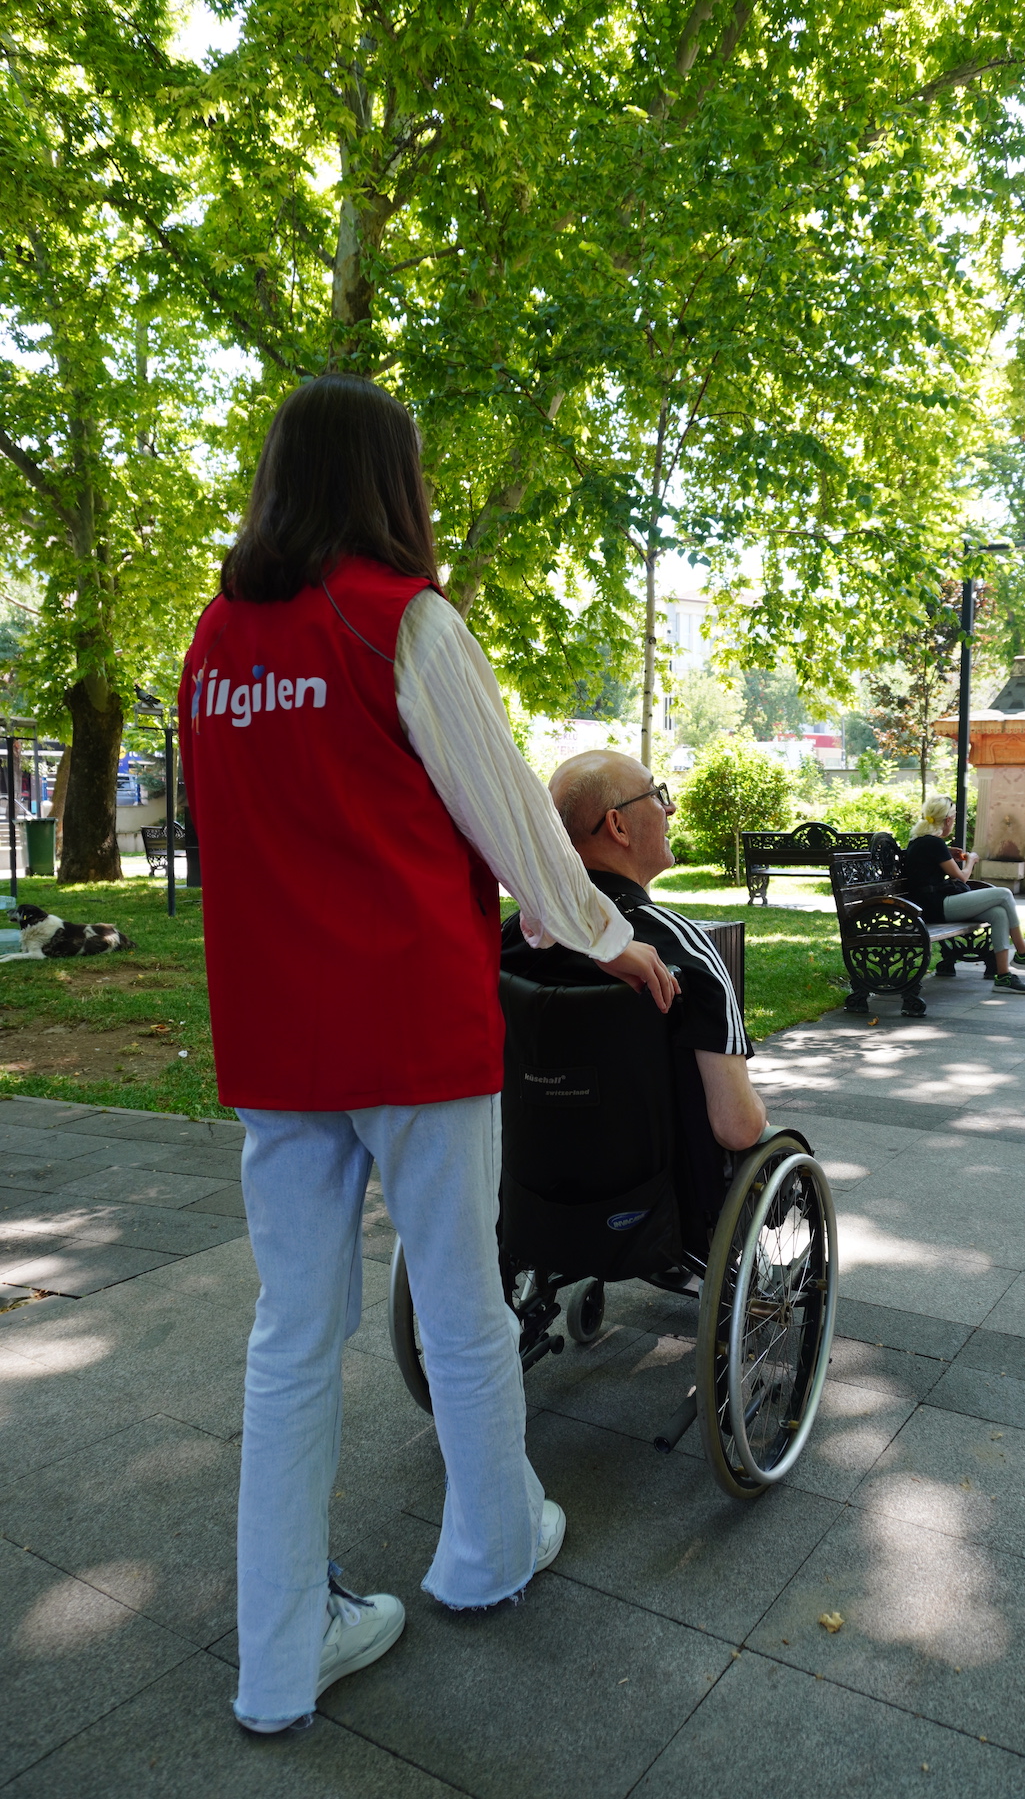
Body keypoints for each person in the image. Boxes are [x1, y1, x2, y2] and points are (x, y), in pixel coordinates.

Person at [179, 374, 677, 1737]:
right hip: (410, 1021)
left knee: (293, 1335)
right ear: (390, 483)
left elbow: (227, 842)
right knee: (462, 1306)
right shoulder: (405, 621)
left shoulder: (215, 641)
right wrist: (598, 936)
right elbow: (515, 814)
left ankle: (278, 1659)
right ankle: (486, 1553)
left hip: (280, 1040)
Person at [499, 750, 766, 1244]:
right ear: (617, 826)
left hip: (526, 1189)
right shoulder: (680, 947)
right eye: (658, 794)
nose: (671, 810)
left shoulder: (513, 940)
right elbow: (736, 1128)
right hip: (660, 1206)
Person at [901, 794, 1025, 996]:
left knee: (998, 913)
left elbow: (928, 862)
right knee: (1004, 894)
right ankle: (1023, 953)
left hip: (930, 905)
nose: (953, 822)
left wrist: (947, 851)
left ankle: (1004, 977)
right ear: (947, 820)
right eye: (954, 818)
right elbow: (962, 877)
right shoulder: (933, 844)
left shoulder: (921, 841)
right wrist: (971, 859)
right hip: (935, 906)